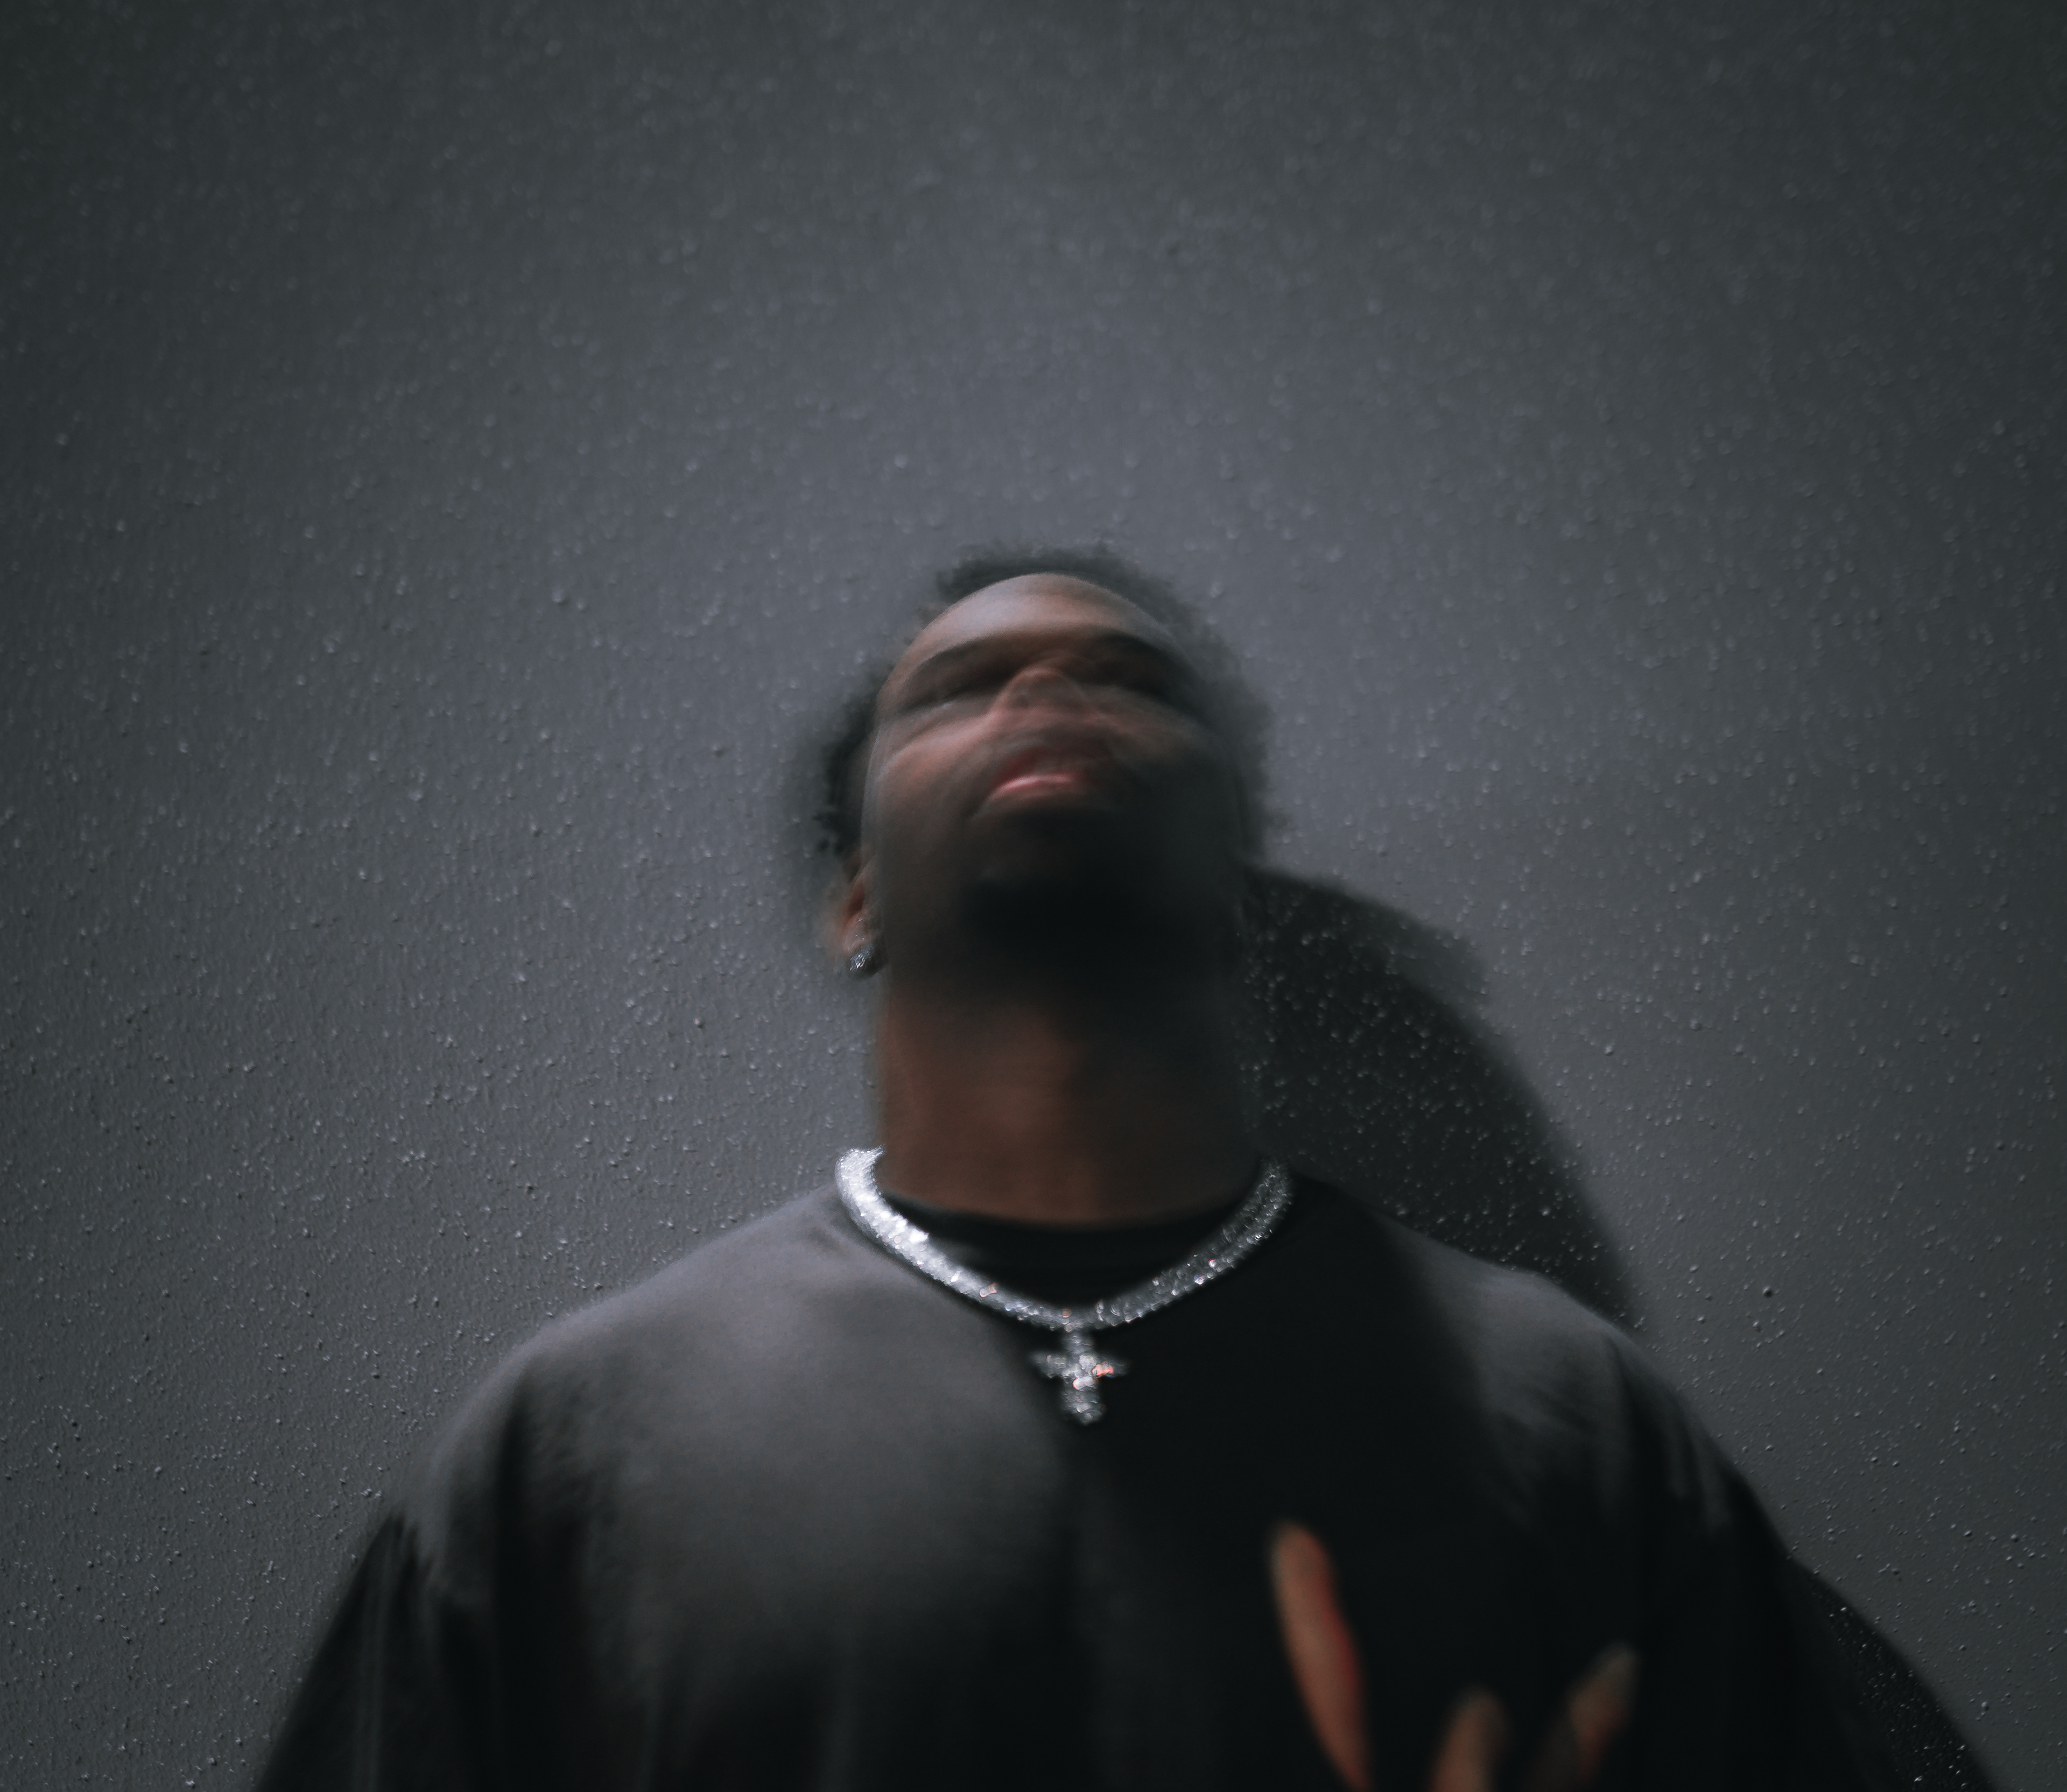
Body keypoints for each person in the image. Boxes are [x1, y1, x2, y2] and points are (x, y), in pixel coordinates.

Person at [257, 550, 1897, 1790]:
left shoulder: (1570, 1425)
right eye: (961, 686)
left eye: (1127, 678)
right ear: (854, 897)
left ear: (1236, 884)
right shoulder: (571, 1454)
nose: (1046, 693)